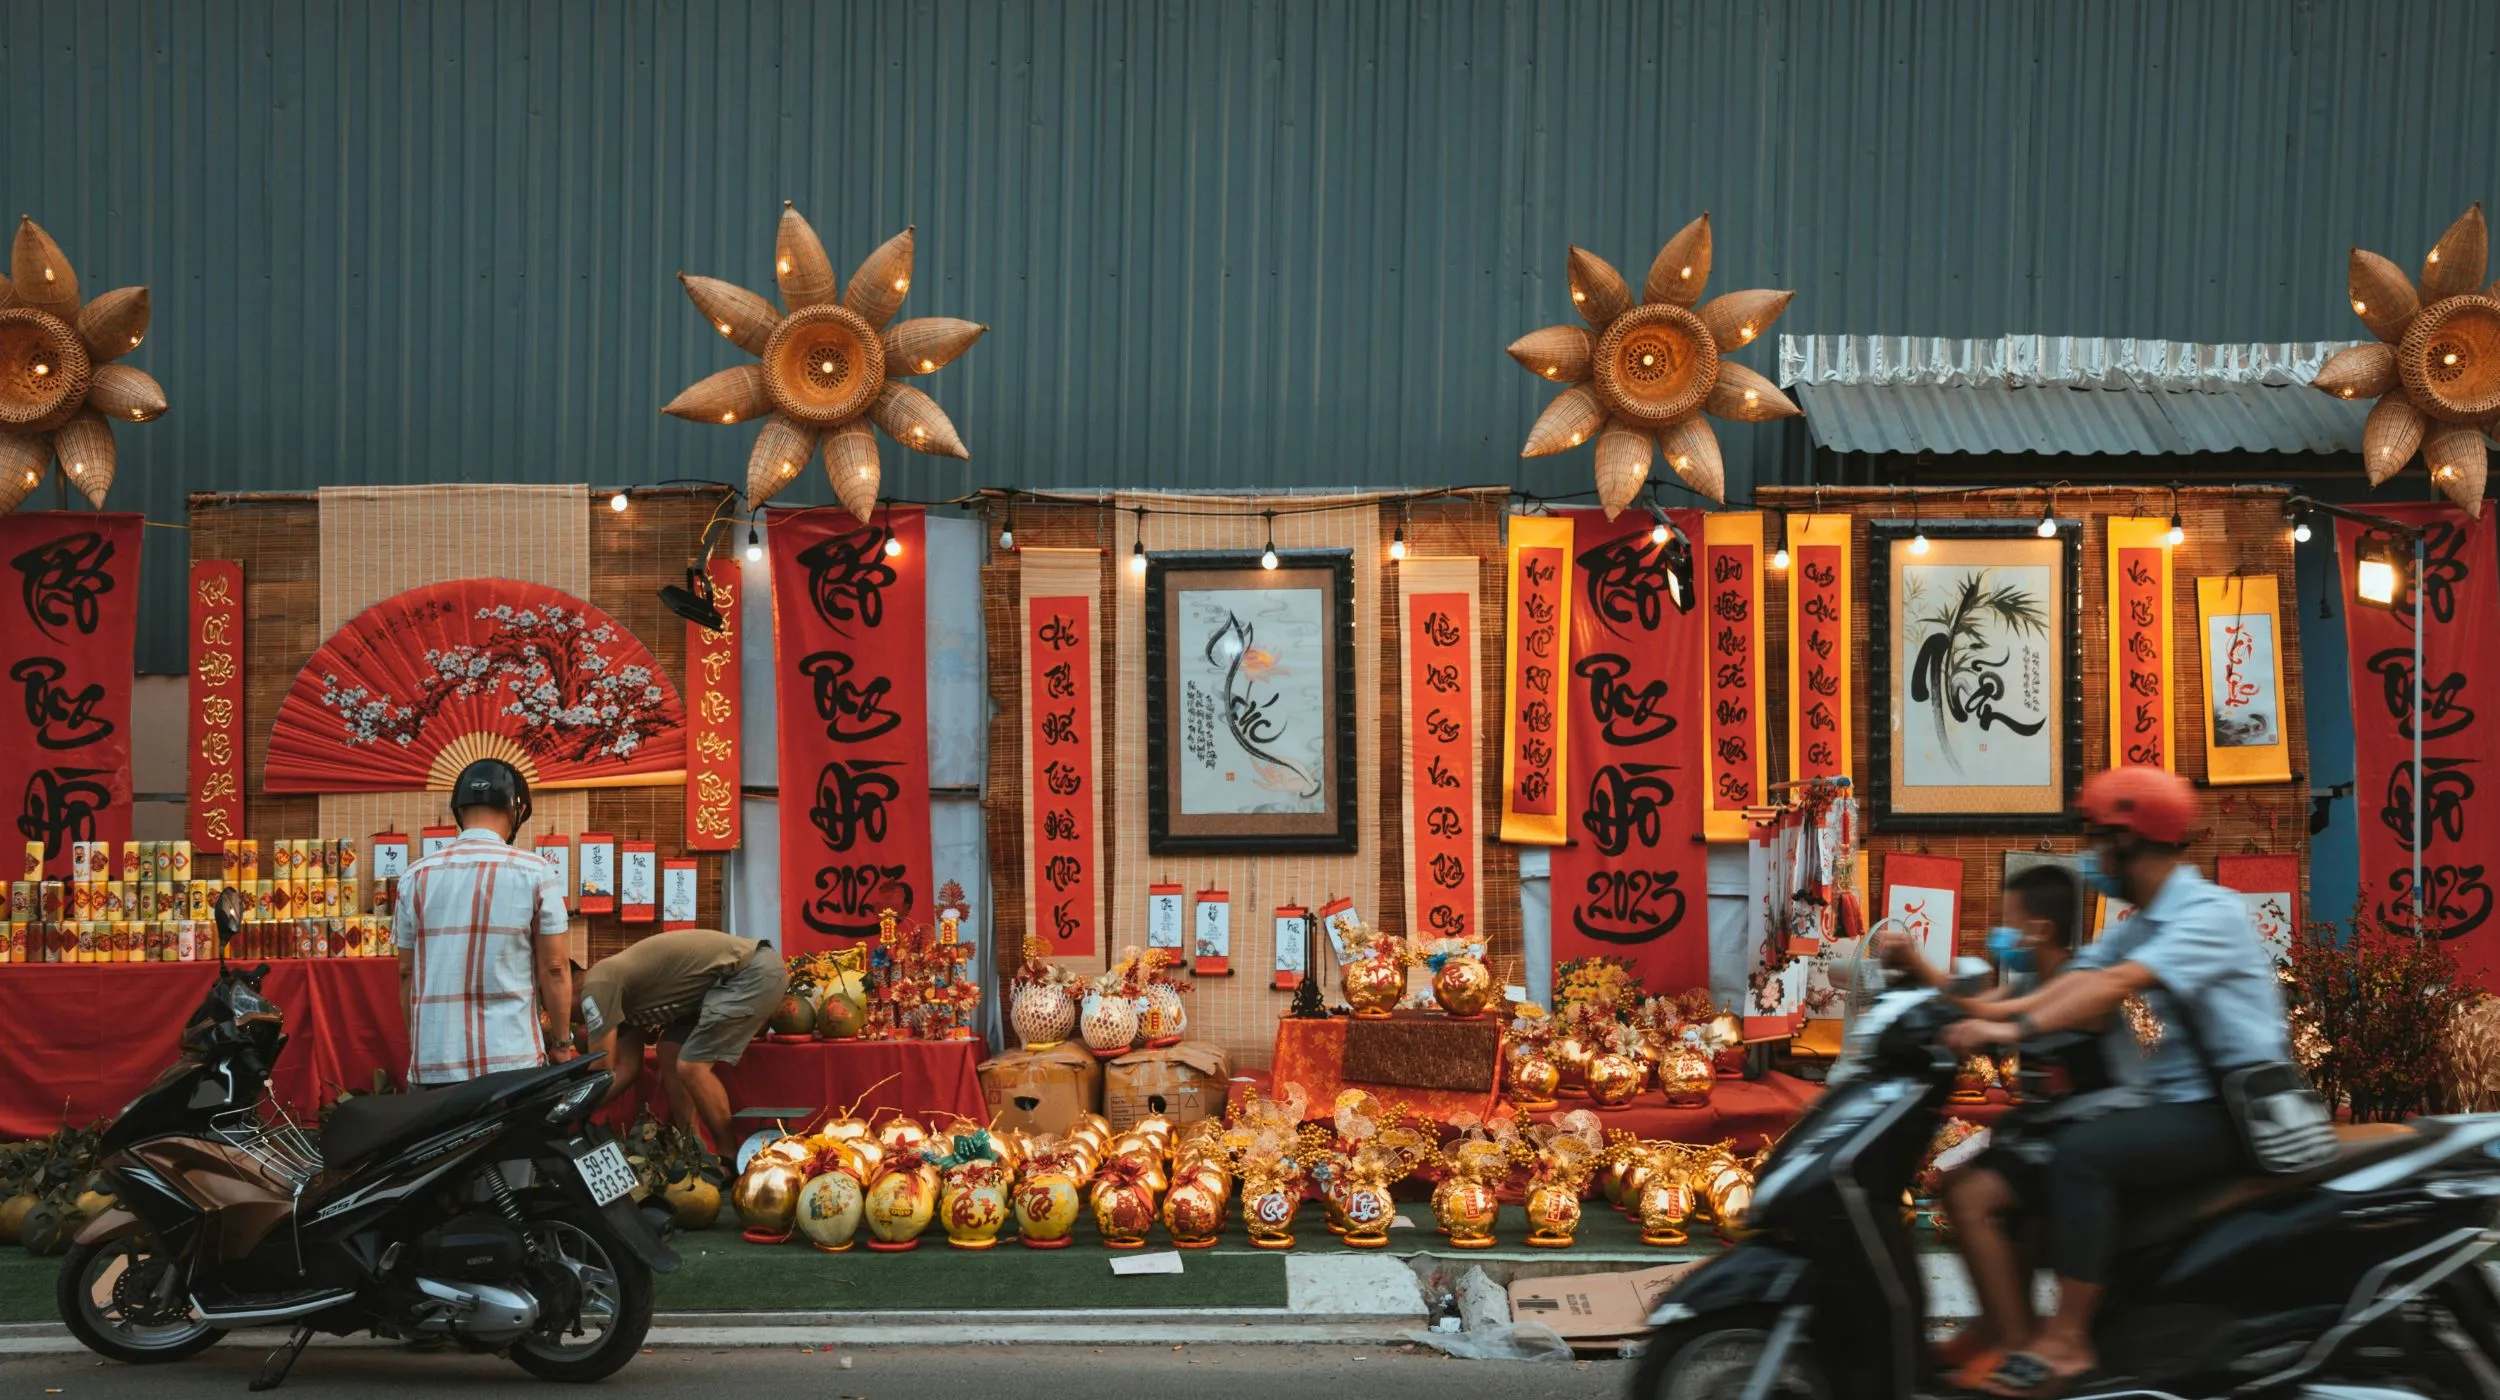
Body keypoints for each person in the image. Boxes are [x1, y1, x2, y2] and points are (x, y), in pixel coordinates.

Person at [1940, 767, 2292, 1399]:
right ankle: (2017, 1327)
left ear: (2129, 842)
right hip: (2177, 1104)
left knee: (2081, 1155)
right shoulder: (2141, 923)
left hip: (2231, 1110)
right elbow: (2070, 984)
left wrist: (2003, 1029)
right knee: (2031, 1154)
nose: (2092, 857)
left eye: (2099, 841)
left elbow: (2107, 988)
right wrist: (1974, 1017)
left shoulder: (2207, 914)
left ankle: (2068, 1340)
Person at [1877, 863, 2124, 1389]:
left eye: (2009, 921)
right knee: (1965, 1180)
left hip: (2087, 1140)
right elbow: (1975, 1004)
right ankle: (1994, 1327)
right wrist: (1918, 973)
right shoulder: (2034, 981)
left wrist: (1981, 1021)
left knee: (1970, 1196)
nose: (2000, 933)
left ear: (2041, 929)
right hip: (2042, 1135)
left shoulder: (2079, 986)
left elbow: (2006, 1015)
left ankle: (2015, 1350)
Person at [395, 759, 573, 1087]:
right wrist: (562, 1043)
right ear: (516, 810)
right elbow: (554, 967)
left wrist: (420, 1044)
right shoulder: (535, 871)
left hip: (434, 1064)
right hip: (511, 1064)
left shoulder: (415, 876)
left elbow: (406, 973)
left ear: (458, 809)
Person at [579, 927, 783, 1161]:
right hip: (721, 986)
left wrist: (566, 1110)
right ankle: (693, 1151)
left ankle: (729, 1155)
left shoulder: (596, 986)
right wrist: (577, 1114)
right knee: (670, 1050)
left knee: (692, 1066)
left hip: (750, 973)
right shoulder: (615, 994)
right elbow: (627, 1068)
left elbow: (600, 1069)